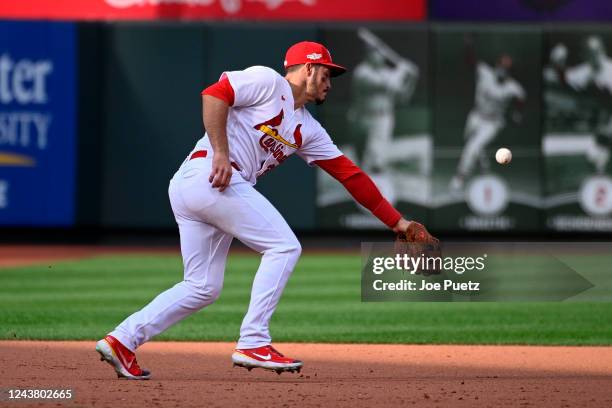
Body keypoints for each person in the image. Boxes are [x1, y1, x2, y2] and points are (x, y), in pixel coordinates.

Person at [95, 41, 433, 379]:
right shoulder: (268, 83)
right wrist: (221, 153)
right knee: (284, 246)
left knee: (202, 286)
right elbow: (214, 94)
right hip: (209, 176)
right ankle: (254, 341)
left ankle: (123, 340)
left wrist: (398, 223)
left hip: (205, 185)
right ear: (309, 69)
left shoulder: (308, 128)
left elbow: (351, 176)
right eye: (327, 74)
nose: (331, 83)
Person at [450, 36, 526, 191]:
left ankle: (460, 177)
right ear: (496, 64)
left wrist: (517, 113)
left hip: (493, 122)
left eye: (507, 67)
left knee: (472, 147)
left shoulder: (513, 87)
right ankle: (484, 166)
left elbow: (521, 99)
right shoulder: (485, 72)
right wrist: (468, 47)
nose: (502, 69)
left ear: (510, 70)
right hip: (476, 116)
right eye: (501, 64)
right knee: (472, 144)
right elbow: (471, 61)